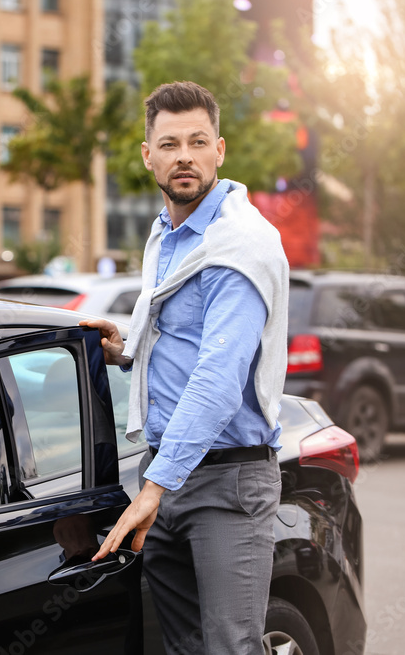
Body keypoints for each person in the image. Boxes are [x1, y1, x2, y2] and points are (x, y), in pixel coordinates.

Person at [83, 81, 289, 654]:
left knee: (229, 646)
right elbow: (181, 338)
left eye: (198, 142)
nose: (185, 156)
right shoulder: (167, 234)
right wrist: (125, 350)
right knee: (182, 648)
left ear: (220, 150)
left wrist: (153, 488)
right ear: (148, 155)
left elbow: (220, 381)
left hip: (227, 482)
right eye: (169, 144)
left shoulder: (241, 244)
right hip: (169, 471)